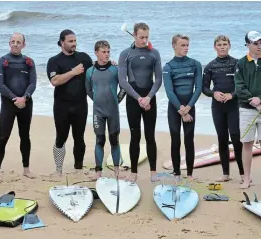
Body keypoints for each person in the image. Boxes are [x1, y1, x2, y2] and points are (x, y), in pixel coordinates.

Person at [118, 22, 163, 183]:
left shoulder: (154, 53)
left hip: (150, 98)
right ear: (134, 35)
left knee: (150, 136)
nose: (144, 40)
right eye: (141, 37)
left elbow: (158, 79)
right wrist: (139, 98)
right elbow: (123, 81)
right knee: (135, 136)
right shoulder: (126, 54)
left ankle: (153, 172)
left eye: (146, 37)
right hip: (133, 99)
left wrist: (149, 97)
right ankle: (134, 173)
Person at [234, 31, 261, 190]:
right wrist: (253, 102)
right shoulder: (240, 63)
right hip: (246, 110)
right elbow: (239, 87)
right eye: (255, 43)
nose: (259, 46)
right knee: (247, 144)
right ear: (247, 44)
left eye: (260, 42)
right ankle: (246, 179)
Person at [0, 33, 37, 184]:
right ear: (9, 43)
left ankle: (26, 169)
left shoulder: (29, 62)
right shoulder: (1, 61)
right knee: (3, 137)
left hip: (26, 104)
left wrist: (25, 97)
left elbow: (32, 83)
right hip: (8, 105)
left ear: (24, 45)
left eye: (19, 42)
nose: (15, 44)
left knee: (25, 136)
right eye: (13, 42)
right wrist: (14, 98)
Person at [47, 29, 93, 176]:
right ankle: (58, 169)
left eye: (75, 41)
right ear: (62, 43)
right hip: (62, 106)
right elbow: (55, 81)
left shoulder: (84, 58)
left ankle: (78, 168)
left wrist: (108, 64)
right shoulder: (54, 61)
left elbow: (94, 73)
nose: (74, 44)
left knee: (79, 138)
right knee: (61, 137)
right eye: (70, 41)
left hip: (80, 105)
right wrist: (73, 72)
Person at [202, 35, 244, 182]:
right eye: (219, 44)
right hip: (218, 107)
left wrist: (232, 95)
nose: (222, 47)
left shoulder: (237, 64)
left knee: (236, 138)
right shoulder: (210, 66)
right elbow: (204, 88)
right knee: (222, 139)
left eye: (224, 44)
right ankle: (225, 174)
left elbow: (242, 86)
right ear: (215, 47)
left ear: (229, 46)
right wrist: (214, 93)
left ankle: (243, 174)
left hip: (233, 106)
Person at [163, 34, 202, 181]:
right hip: (174, 107)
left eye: (187, 45)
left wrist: (188, 107)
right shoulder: (168, 67)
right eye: (182, 45)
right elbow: (169, 91)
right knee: (175, 139)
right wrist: (182, 110)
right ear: (174, 46)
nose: (186, 48)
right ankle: (177, 173)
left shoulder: (195, 64)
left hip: (189, 104)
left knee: (189, 139)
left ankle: (190, 174)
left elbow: (198, 88)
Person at [85, 40, 126, 180]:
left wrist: (117, 100)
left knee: (114, 140)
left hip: (113, 111)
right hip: (98, 112)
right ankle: (98, 172)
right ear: (96, 53)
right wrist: (97, 100)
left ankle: (116, 171)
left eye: (108, 51)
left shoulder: (116, 69)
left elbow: (124, 87)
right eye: (104, 52)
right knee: (100, 140)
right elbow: (88, 90)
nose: (107, 54)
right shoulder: (90, 71)